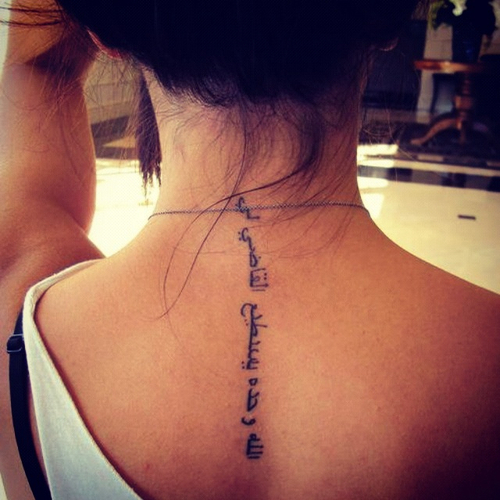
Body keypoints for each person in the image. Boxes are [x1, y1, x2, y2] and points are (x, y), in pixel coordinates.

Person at [1, 0, 499, 498]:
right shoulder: (483, 366)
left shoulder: (25, 335)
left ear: (104, 30)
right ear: (389, 17)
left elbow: (37, 69)